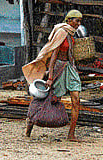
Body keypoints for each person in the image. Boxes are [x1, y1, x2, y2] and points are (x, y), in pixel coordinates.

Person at [22, 9, 83, 142]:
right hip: (58, 68)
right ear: (69, 20)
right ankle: (29, 125)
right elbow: (54, 55)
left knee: (76, 100)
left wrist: (74, 67)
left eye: (80, 21)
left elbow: (71, 54)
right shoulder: (61, 32)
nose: (78, 23)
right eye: (76, 20)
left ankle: (71, 134)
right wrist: (50, 77)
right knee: (45, 98)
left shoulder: (72, 34)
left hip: (70, 68)